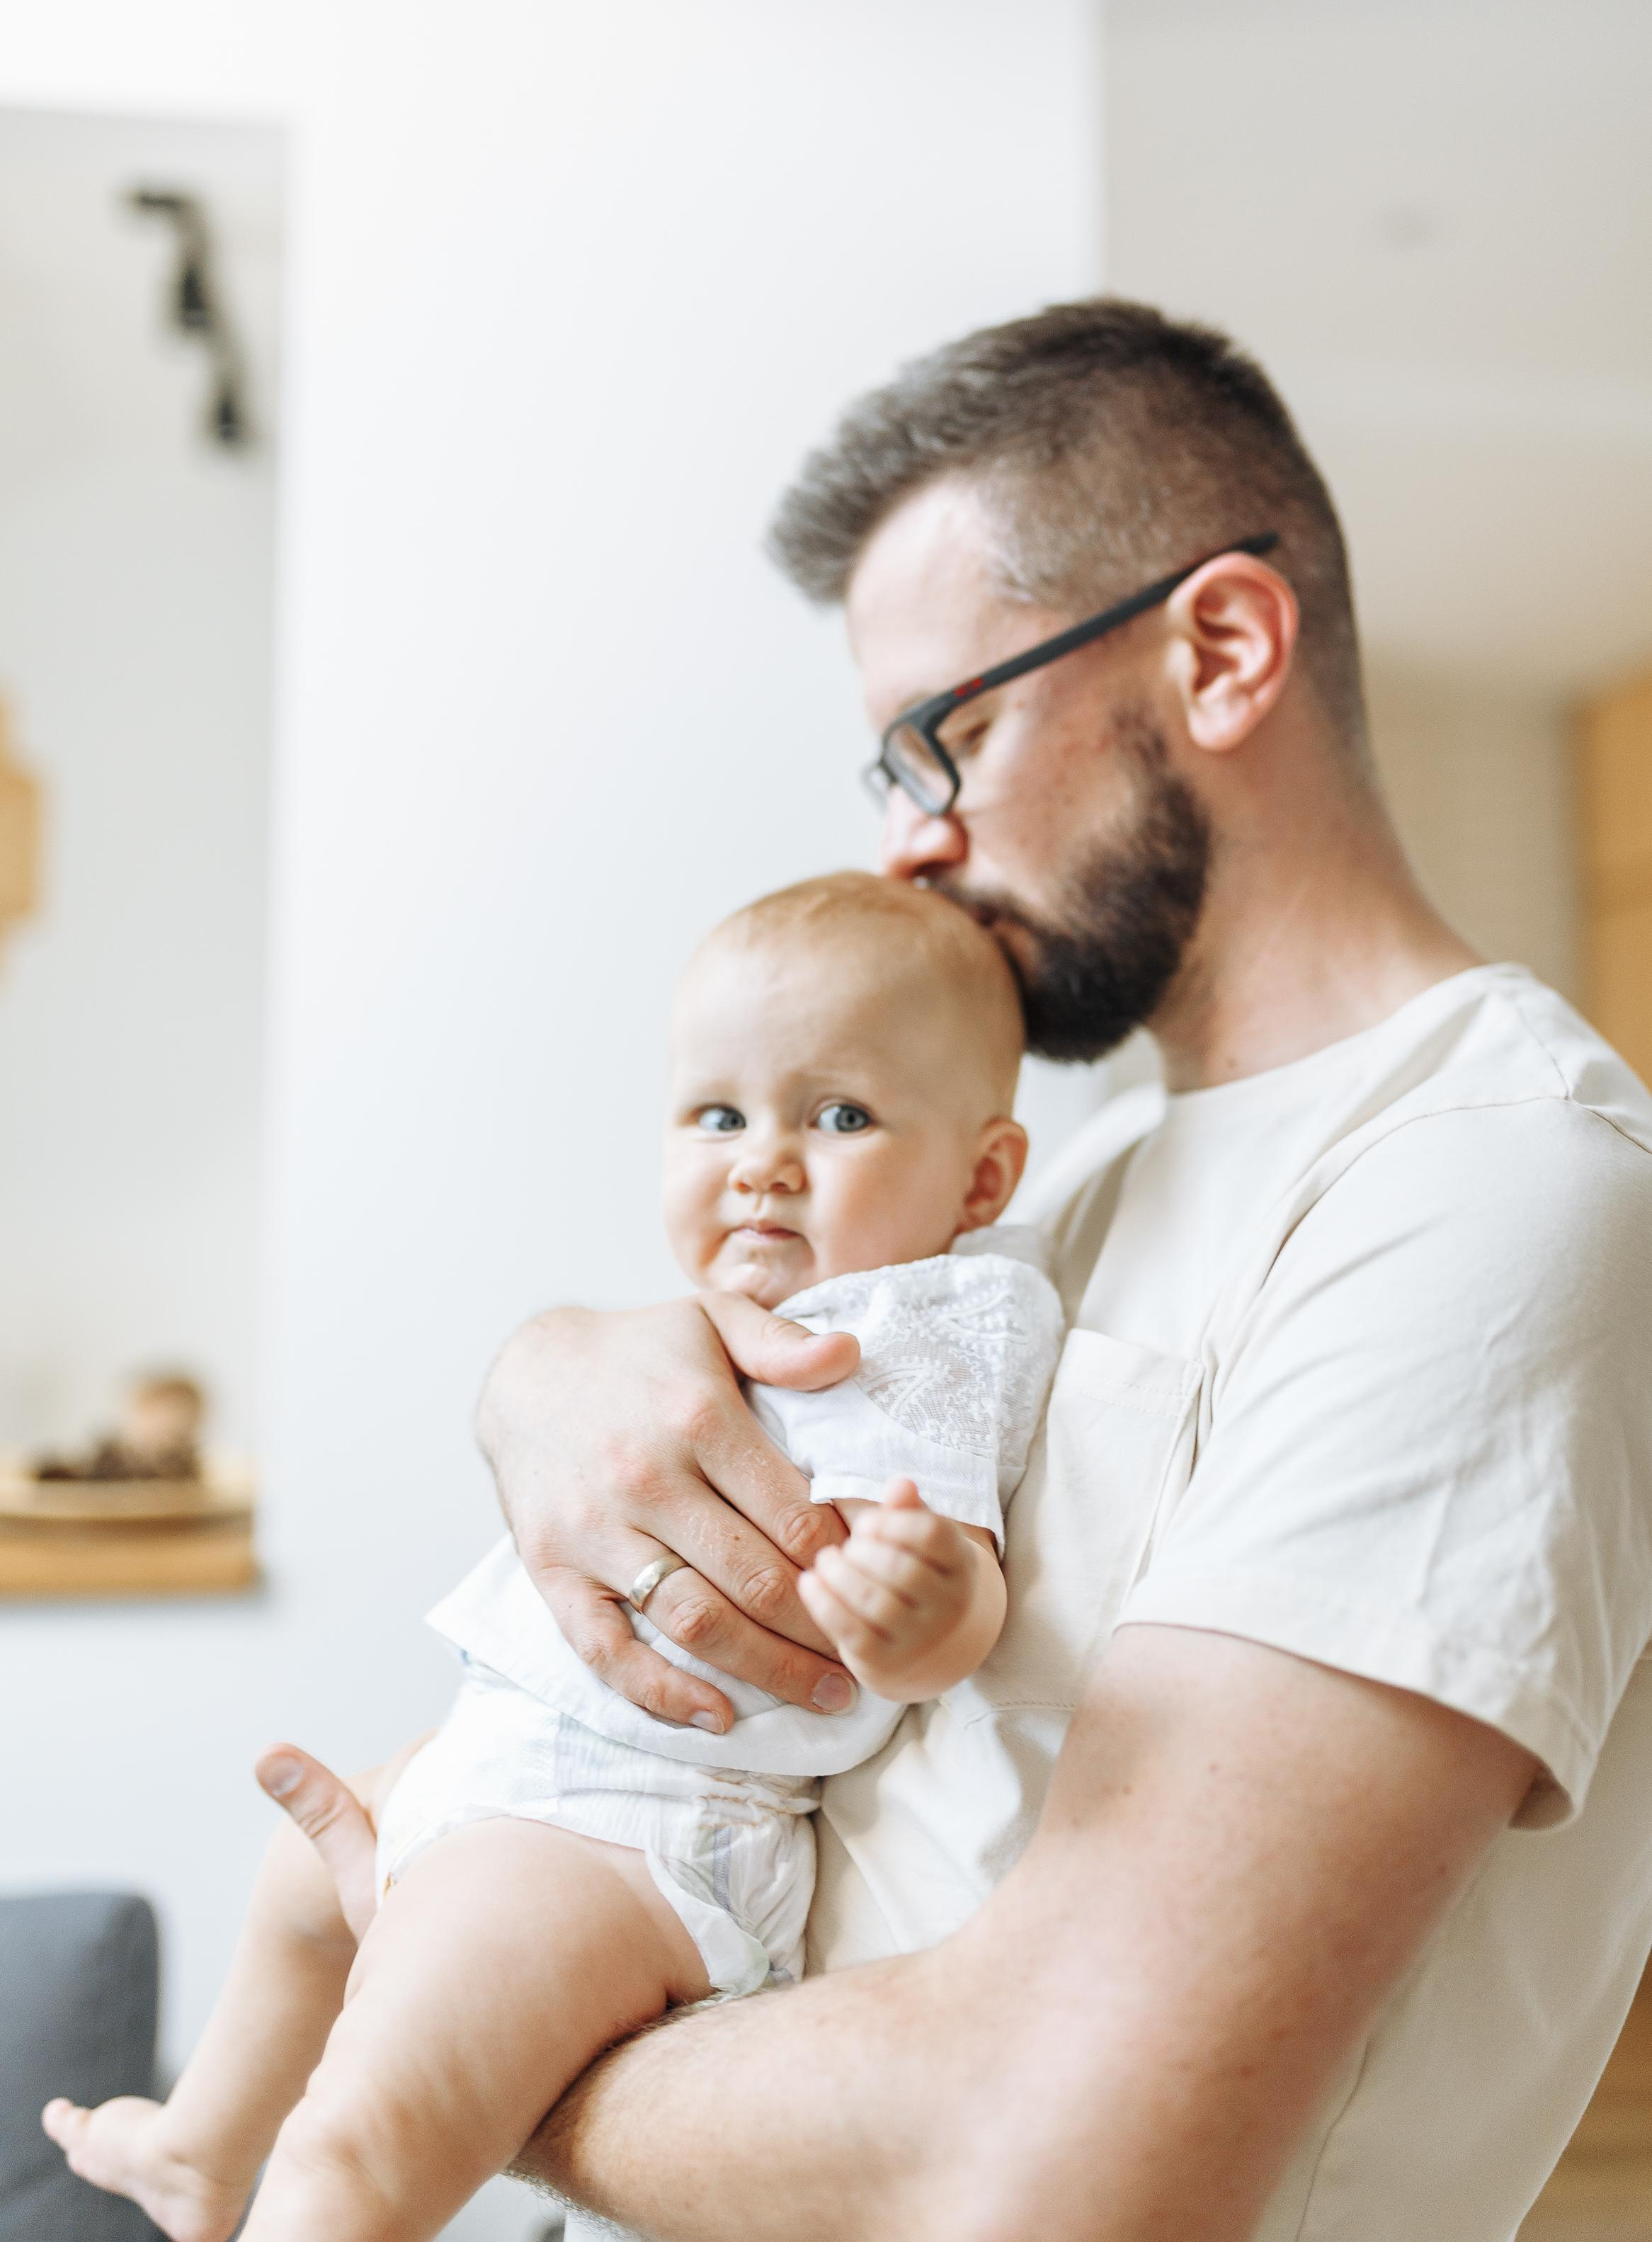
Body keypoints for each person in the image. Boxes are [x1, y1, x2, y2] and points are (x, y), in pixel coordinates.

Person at [224, 300, 1652, 2240]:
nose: (909, 847)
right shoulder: (1070, 1188)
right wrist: (542, 1373)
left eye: (943, 738)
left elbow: (1054, 2152)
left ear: (1217, 650)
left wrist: (469, 2027)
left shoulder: (1484, 1191)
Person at [42, 875, 1062, 2242]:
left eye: (838, 1116)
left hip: (641, 1826)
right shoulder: (691, 1319)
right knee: (300, 1885)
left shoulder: (920, 1330)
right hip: (526, 1762)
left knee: (355, 2144)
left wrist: (920, 1604)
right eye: (718, 1114)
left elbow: (959, 1605)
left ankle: (273, 2182)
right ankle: (198, 2148)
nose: (761, 1160)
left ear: (981, 1176)